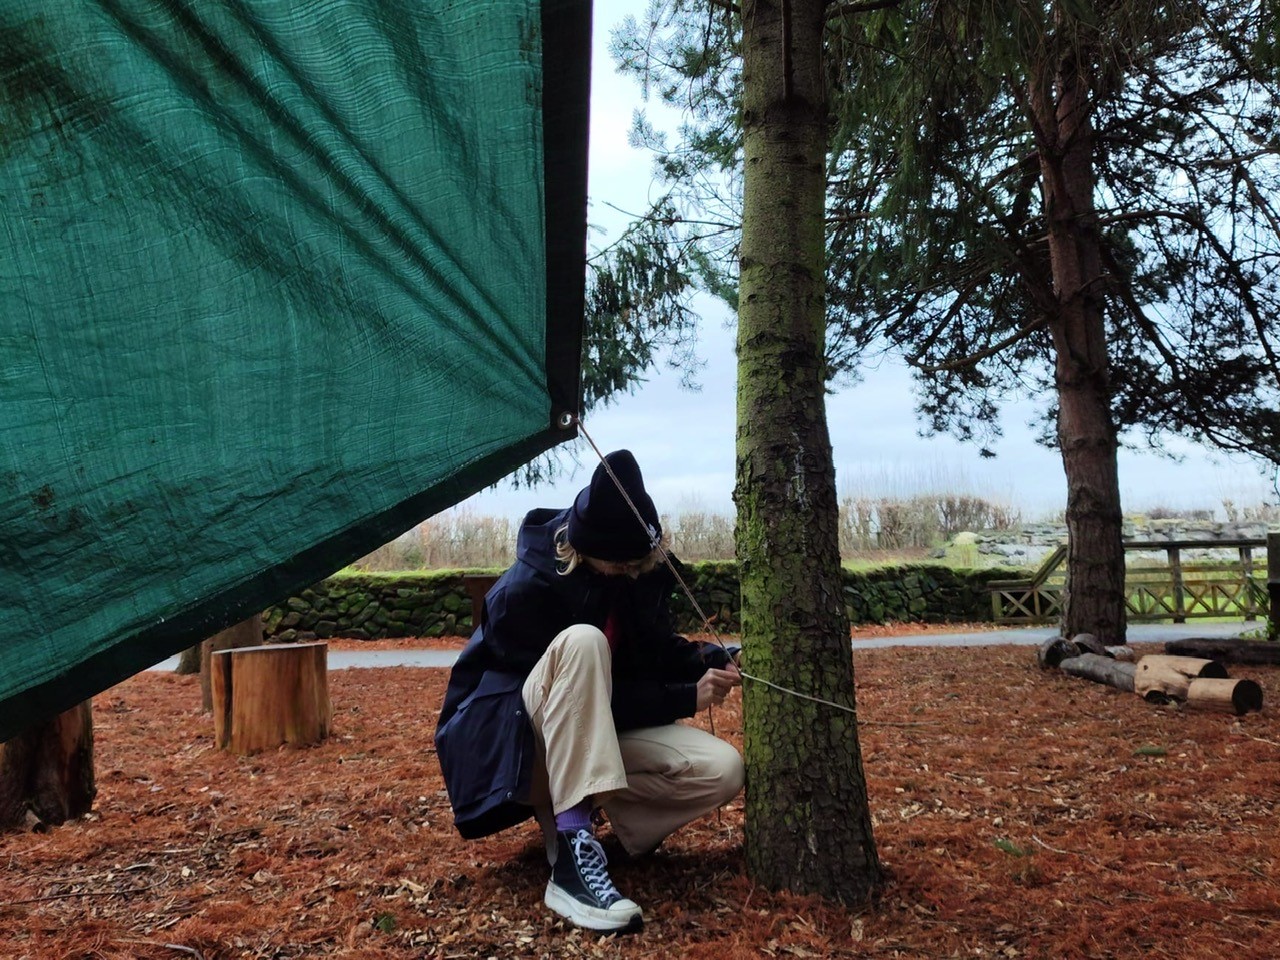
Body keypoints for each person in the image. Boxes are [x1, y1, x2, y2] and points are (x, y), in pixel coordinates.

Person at [435, 449, 744, 932]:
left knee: (723, 770)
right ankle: (571, 859)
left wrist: (714, 658)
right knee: (584, 642)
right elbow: (586, 699)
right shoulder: (525, 591)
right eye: (615, 564)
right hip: (517, 752)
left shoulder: (636, 572)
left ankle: (592, 831)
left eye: (633, 562)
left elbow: (654, 653)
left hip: (585, 742)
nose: (625, 571)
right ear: (580, 547)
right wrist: (686, 698)